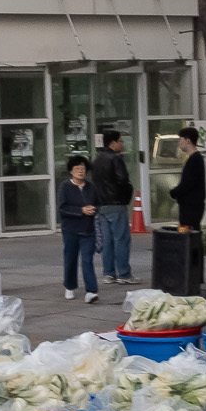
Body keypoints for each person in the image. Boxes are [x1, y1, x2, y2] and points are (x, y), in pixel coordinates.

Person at [91, 130, 135, 285]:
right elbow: (123, 180)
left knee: (107, 241)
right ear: (113, 143)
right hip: (116, 203)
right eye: (120, 141)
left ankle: (108, 273)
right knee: (121, 239)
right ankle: (124, 273)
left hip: (102, 205)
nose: (122, 144)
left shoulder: (97, 160)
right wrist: (127, 193)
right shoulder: (116, 159)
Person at [57, 155, 100, 303]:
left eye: (83, 169)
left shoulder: (91, 187)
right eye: (77, 169)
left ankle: (91, 291)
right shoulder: (65, 187)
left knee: (87, 260)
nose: (80, 172)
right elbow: (62, 208)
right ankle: (69, 286)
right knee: (71, 258)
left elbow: (99, 204)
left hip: (88, 230)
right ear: (71, 171)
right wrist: (81, 210)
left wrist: (94, 209)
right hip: (71, 230)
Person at [171, 127, 206, 230]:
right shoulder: (195, 159)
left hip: (191, 206)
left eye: (180, 140)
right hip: (192, 205)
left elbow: (187, 183)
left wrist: (175, 192)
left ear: (188, 141)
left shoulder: (194, 160)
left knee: (189, 234)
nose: (179, 143)